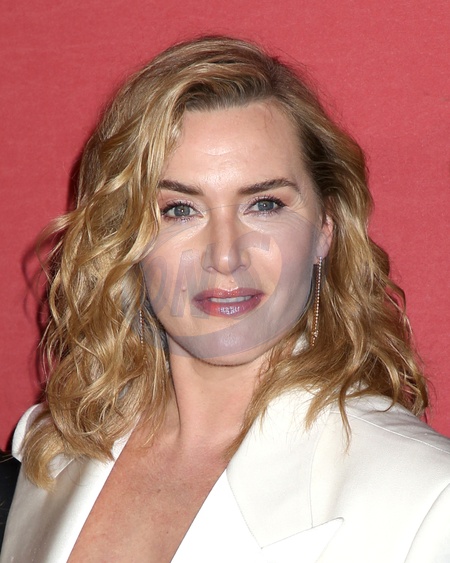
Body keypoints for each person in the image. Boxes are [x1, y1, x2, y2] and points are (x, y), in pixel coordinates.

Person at [1, 36, 450, 562]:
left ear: (325, 227)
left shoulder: (426, 500)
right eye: (179, 210)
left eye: (264, 204)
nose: (224, 256)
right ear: (126, 237)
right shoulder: (49, 450)